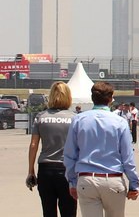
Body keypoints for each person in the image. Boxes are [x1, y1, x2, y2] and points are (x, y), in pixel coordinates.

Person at [63, 81, 139, 217]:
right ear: (110, 99)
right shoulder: (119, 122)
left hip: (86, 179)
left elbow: (70, 155)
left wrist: (72, 181)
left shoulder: (79, 120)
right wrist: (134, 183)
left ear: (92, 98)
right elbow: (127, 157)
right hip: (112, 179)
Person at [28, 81, 76, 217]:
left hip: (46, 169)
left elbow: (33, 145)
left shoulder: (41, 117)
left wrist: (31, 171)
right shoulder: (74, 118)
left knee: (48, 211)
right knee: (69, 211)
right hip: (67, 169)